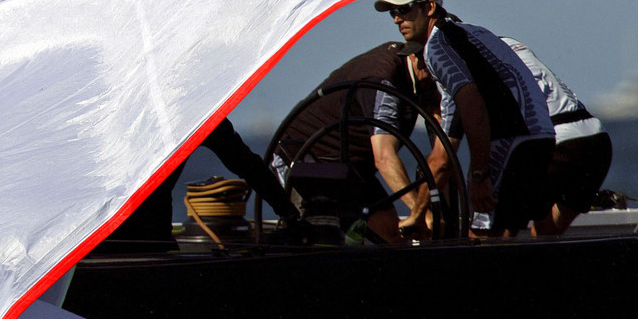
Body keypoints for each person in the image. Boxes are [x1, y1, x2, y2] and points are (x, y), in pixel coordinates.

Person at [374, 0, 554, 237]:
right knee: (516, 230)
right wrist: (418, 213)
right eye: (392, 13)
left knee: (480, 236)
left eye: (404, 9)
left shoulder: (438, 46)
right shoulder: (471, 32)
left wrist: (480, 175)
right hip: (541, 134)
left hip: (509, 140)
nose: (396, 19)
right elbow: (443, 154)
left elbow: (472, 104)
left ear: (430, 7)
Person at [272, 41, 441, 244]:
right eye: (437, 65)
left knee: (389, 232)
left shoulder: (426, 80)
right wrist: (419, 212)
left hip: (350, 165)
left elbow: (443, 150)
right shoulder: (383, 81)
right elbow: (384, 158)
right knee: (316, 239)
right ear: (415, 57)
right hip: (305, 159)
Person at [110, 117, 299, 248]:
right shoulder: (193, 111)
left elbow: (246, 163)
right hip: (149, 241)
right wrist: (288, 213)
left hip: (92, 240)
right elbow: (246, 163)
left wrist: (286, 210)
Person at [499, 37, 613, 235]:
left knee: (499, 226)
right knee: (546, 232)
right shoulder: (511, 44)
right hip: (597, 138)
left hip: (563, 141)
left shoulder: (470, 61)